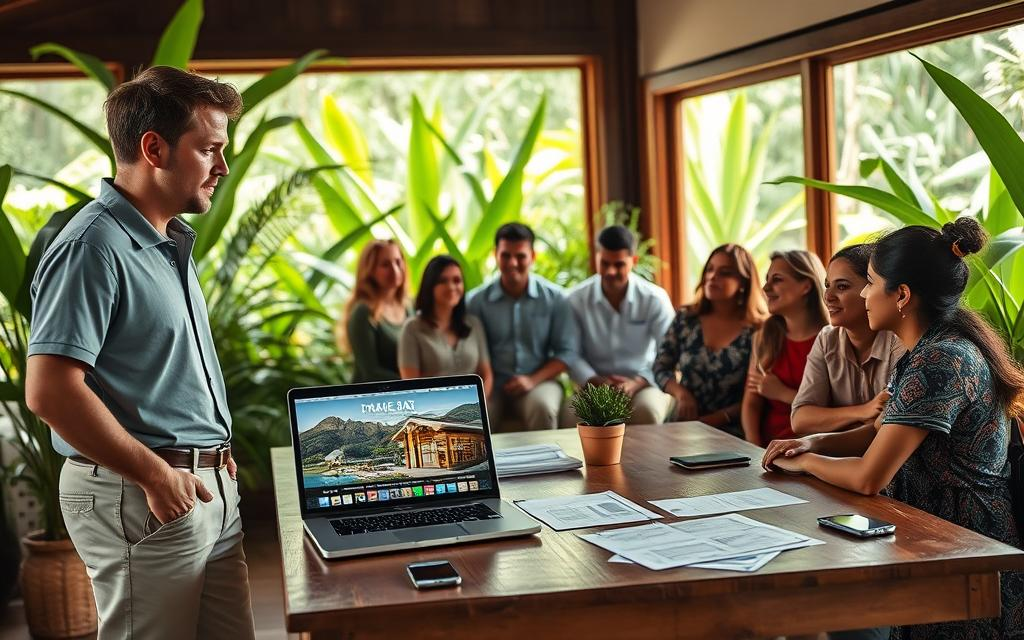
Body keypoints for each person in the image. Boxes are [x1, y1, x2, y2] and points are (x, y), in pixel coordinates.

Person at [24, 67, 255, 639]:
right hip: (143, 495)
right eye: (209, 149)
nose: (222, 167)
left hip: (204, 490)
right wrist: (156, 474)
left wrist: (211, 449)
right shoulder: (92, 247)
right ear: (154, 148)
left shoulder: (167, 241)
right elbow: (49, 390)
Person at [763, 218, 1023, 639]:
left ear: (901, 295)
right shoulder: (927, 350)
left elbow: (868, 477)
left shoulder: (941, 360)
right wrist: (810, 442)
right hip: (933, 540)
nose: (864, 294)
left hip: (965, 554)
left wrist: (806, 462)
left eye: (869, 282)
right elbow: (878, 431)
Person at [466, 223, 577, 431]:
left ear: (533, 256)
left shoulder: (555, 299)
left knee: (543, 407)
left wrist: (532, 380)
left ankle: (548, 464)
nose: (512, 263)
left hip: (539, 382)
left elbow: (567, 353)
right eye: (505, 255)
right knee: (474, 416)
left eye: (521, 256)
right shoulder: (476, 302)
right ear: (495, 254)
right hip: (492, 385)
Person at [653, 244, 768, 438]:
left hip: (734, 430)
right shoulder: (686, 318)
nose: (712, 276)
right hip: (683, 426)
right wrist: (681, 394)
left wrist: (719, 418)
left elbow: (761, 394)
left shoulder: (759, 330)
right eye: (710, 269)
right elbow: (660, 368)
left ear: (743, 282)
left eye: (725, 273)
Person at [564, 225, 675, 425]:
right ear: (596, 257)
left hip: (644, 384)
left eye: (619, 265)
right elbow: (570, 352)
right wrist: (596, 381)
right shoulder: (575, 299)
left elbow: (668, 353)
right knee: (571, 415)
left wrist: (637, 383)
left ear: (634, 261)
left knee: (647, 411)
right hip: (593, 385)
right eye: (604, 263)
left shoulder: (654, 299)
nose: (610, 271)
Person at [791, 244, 905, 436]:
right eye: (827, 286)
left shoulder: (900, 341)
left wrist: (825, 425)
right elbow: (800, 419)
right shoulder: (827, 339)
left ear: (873, 288)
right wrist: (863, 411)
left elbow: (886, 428)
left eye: (842, 286)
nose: (827, 297)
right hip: (839, 460)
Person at [742, 250, 827, 446]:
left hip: (816, 448)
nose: (765, 288)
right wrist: (753, 448)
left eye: (777, 280)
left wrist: (782, 393)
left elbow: (833, 410)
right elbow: (751, 404)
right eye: (767, 279)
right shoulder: (764, 338)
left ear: (806, 286)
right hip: (766, 448)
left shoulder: (832, 340)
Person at [399, 255, 494, 395]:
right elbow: (411, 386)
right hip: (433, 410)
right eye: (443, 281)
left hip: (476, 408)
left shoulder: (473, 324)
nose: (451, 287)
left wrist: (478, 407)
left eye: (457, 280)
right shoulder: (412, 329)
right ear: (429, 285)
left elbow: (486, 375)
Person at [339, 239, 410, 383]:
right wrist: (416, 383)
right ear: (369, 271)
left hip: (408, 397)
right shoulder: (363, 312)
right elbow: (371, 372)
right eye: (385, 264)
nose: (395, 270)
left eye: (398, 261)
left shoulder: (409, 306)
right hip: (371, 399)